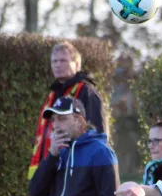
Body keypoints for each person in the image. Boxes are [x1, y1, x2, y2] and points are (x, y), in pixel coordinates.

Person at [28, 41, 108, 180]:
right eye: (54, 61)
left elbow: (98, 132)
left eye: (63, 60)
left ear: (77, 65)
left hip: (75, 169)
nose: (58, 64)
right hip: (53, 167)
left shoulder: (86, 92)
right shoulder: (53, 94)